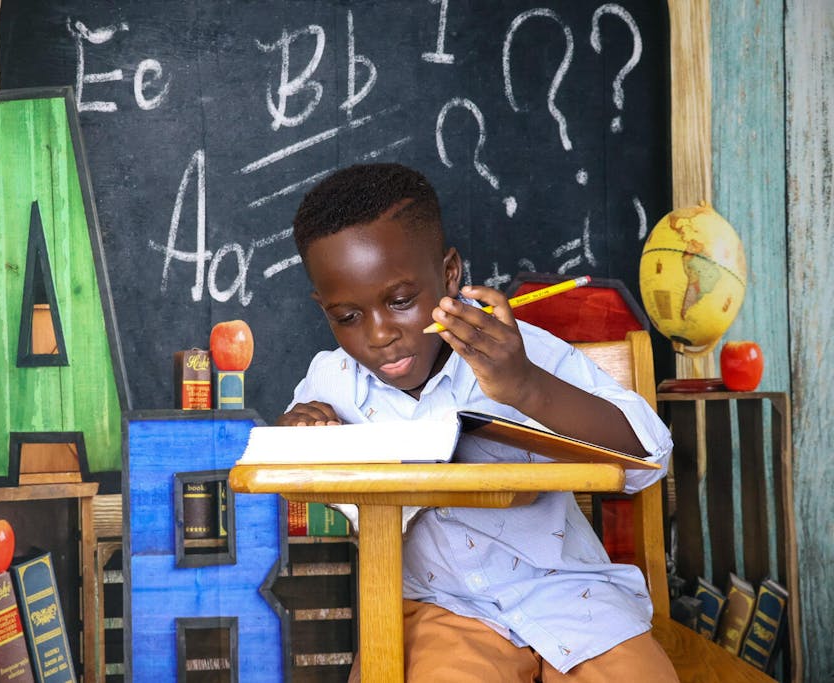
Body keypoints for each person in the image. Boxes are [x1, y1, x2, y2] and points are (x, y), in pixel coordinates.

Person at [277, 163, 678, 682]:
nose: (378, 335)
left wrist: (526, 387)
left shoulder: (517, 350)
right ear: (323, 308)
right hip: (440, 611)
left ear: (449, 274)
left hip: (574, 597)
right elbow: (286, 460)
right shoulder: (331, 381)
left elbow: (650, 459)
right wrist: (298, 432)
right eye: (347, 317)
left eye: (400, 301)